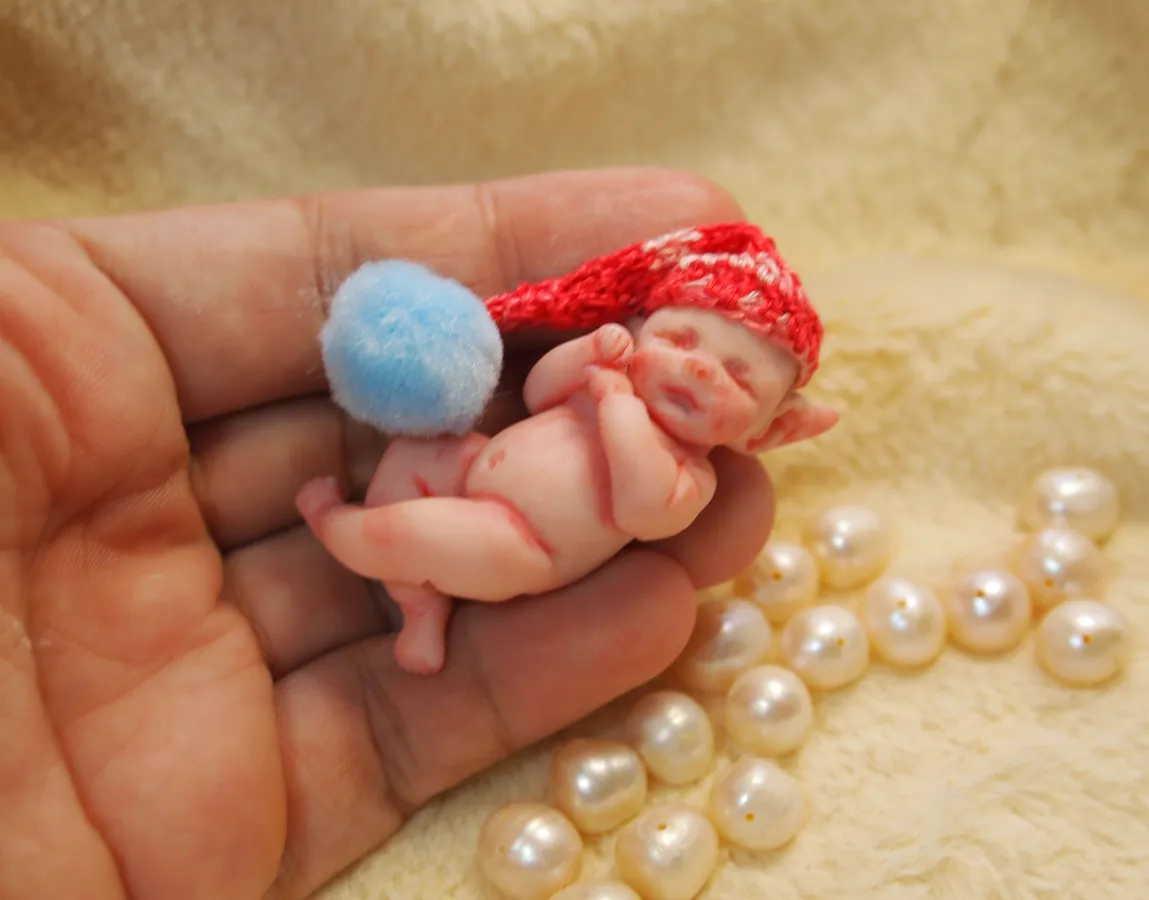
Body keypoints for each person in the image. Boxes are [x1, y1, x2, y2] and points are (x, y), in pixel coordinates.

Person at [0, 167, 776, 900]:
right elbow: (541, 391)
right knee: (413, 457)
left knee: (413, 531)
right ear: (641, 327)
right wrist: (582, 359)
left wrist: (614, 406)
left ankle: (343, 528)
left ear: (763, 431)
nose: (703, 371)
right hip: (476, 468)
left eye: (739, 379)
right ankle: (421, 611)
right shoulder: (602, 382)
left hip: (522, 544)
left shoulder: (689, 475)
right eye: (683, 341)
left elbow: (642, 508)